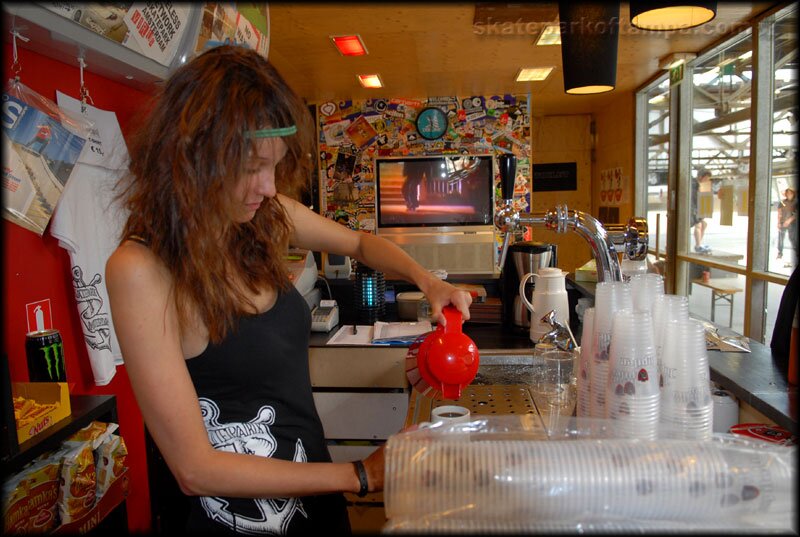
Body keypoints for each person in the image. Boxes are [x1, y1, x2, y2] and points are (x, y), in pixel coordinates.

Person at [105, 45, 472, 534]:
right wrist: (361, 474)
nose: (266, 185)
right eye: (252, 166)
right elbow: (193, 468)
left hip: (310, 494)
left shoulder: (260, 216)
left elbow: (361, 242)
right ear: (194, 156)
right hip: (232, 521)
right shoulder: (141, 268)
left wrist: (428, 281)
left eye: (275, 166)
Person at [691, 169, 713, 253]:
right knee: (698, 225)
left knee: (704, 224)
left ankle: (698, 244)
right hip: (692, 210)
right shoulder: (694, 184)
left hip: (696, 209)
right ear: (701, 177)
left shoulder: (701, 185)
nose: (707, 180)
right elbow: (694, 198)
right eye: (706, 178)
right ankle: (698, 245)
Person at [781, 188, 797, 267]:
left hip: (794, 224)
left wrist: (789, 220)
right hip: (788, 223)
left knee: (793, 239)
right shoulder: (785, 202)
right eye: (787, 193)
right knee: (791, 239)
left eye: (789, 193)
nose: (788, 195)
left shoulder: (796, 202)